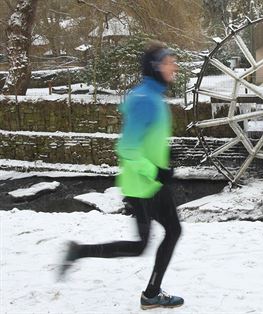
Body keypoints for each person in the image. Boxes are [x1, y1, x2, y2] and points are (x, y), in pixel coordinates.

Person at [59, 40, 183, 310]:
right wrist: (156, 170)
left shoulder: (152, 96)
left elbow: (147, 139)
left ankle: (151, 293)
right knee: (145, 244)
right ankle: (80, 252)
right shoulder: (144, 100)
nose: (174, 66)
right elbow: (126, 147)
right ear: (154, 67)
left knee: (171, 232)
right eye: (168, 61)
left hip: (150, 184)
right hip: (142, 186)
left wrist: (165, 156)